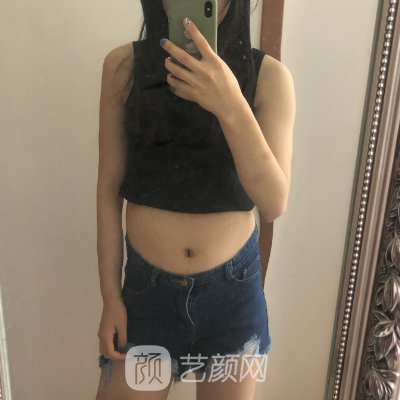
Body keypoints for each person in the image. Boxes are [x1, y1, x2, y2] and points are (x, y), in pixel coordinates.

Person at [95, 0, 295, 398]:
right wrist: (110, 297)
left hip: (231, 300)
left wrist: (230, 104)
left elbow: (273, 202)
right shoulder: (124, 67)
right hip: (146, 298)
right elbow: (107, 192)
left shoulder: (270, 77)